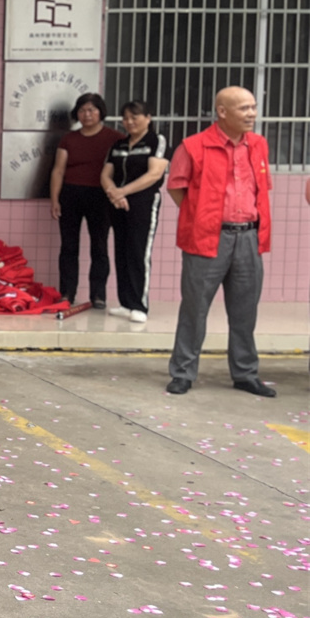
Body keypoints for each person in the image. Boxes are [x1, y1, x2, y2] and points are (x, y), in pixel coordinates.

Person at [165, 87, 275, 398]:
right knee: (194, 309)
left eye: (253, 107)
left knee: (245, 311)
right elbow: (176, 187)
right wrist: (201, 217)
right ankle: (183, 373)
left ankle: (245, 373)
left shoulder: (258, 144)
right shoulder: (193, 146)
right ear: (222, 112)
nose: (252, 114)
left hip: (249, 237)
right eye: (244, 108)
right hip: (207, 238)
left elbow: (261, 188)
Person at [49, 93, 124, 310]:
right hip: (71, 195)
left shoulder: (115, 138)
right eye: (82, 110)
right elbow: (58, 170)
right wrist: (55, 199)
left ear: (101, 112)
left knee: (99, 247)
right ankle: (67, 293)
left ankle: (98, 295)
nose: (87, 114)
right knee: (68, 247)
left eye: (92, 110)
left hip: (101, 196)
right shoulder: (69, 139)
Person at [101, 100, 169, 323]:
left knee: (139, 252)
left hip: (143, 203)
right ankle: (125, 303)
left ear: (148, 118)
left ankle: (139, 305)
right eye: (126, 118)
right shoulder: (118, 144)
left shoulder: (156, 141)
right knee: (121, 251)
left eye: (135, 117)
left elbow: (154, 174)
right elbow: (105, 174)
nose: (129, 122)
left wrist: (122, 191)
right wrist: (114, 194)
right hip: (117, 203)